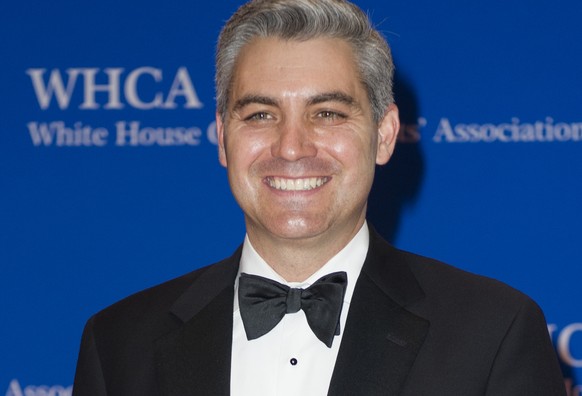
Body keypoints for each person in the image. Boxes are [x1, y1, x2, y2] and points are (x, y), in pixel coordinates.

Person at [72, 0, 566, 395]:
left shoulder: (493, 333)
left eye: (327, 113)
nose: (291, 147)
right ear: (223, 138)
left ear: (385, 134)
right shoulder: (118, 344)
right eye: (260, 114)